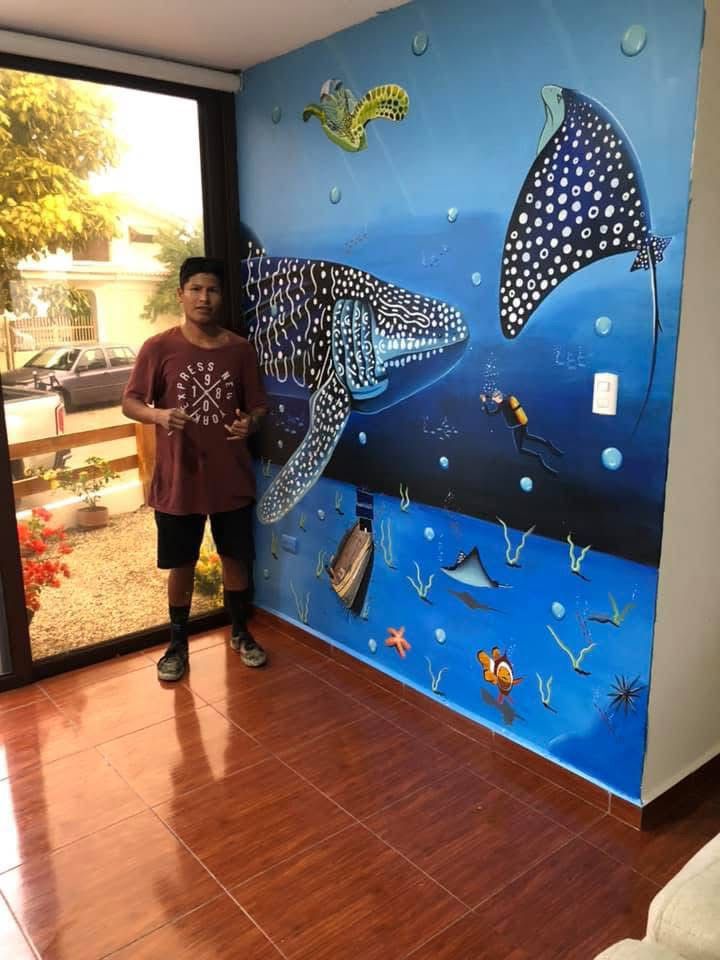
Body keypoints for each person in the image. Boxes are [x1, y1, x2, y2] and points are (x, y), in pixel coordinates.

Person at [122, 257, 269, 682]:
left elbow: (258, 407)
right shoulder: (158, 347)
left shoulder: (240, 349)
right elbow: (130, 402)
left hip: (231, 477)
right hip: (179, 481)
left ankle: (240, 632)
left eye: (213, 290)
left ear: (221, 297)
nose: (204, 298)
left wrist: (250, 423)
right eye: (196, 289)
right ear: (181, 295)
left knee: (235, 559)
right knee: (181, 564)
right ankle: (177, 645)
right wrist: (159, 415)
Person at [479, 388, 563, 476]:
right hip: (522, 423)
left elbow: (490, 414)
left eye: (495, 399)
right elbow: (494, 397)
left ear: (499, 398)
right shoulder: (508, 399)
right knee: (527, 436)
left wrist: (484, 403)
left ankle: (539, 458)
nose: (494, 400)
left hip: (517, 427)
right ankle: (547, 444)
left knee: (520, 450)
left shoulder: (502, 405)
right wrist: (487, 396)